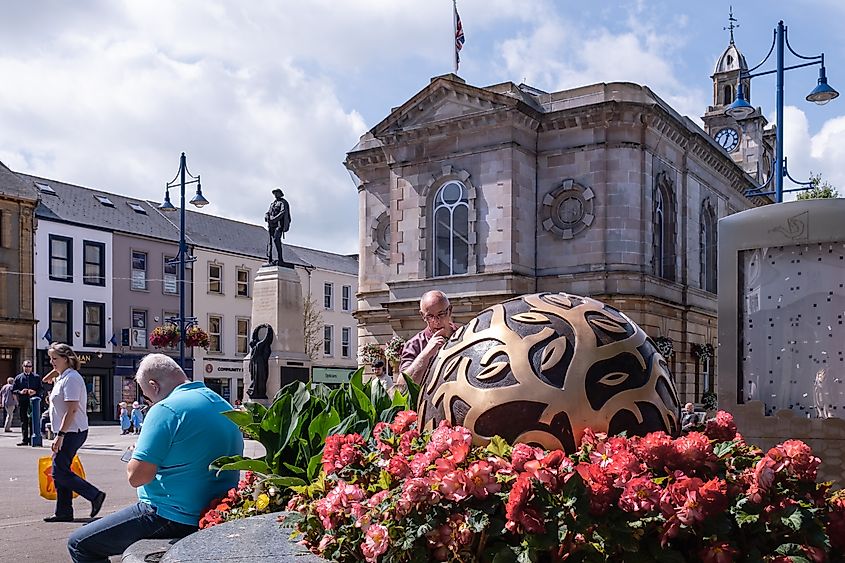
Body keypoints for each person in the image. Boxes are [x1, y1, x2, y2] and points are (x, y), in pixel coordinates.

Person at [67, 353, 244, 563]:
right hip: (216, 506)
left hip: (173, 514)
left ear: (154, 385)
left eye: (147, 396)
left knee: (80, 543)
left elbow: (137, 477)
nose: (148, 401)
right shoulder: (219, 403)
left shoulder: (165, 409)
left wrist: (136, 452)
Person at [44, 342, 107, 523]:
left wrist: (60, 435)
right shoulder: (63, 376)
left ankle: (94, 495)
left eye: (55, 358)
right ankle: (63, 511)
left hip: (72, 431)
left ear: (66, 359)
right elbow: (47, 379)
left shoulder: (72, 378)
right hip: (66, 430)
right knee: (61, 470)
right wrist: (54, 372)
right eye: (50, 358)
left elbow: (71, 409)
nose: (51, 362)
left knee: (59, 472)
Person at [399, 291, 460, 385]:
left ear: (450, 310)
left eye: (441, 314)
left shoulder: (466, 334)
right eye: (430, 316)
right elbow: (402, 385)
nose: (436, 321)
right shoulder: (415, 345)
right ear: (422, 316)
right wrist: (426, 353)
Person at [12, 360, 42, 445]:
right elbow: (14, 390)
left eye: (29, 366)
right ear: (23, 366)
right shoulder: (18, 377)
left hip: (34, 402)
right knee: (24, 420)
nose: (27, 368)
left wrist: (35, 392)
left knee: (33, 420)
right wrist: (21, 392)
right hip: (23, 401)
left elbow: (41, 389)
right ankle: (25, 439)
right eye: (26, 366)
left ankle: (33, 438)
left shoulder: (36, 377)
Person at [265, 188, 291, 265]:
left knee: (277, 240)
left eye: (277, 193)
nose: (275, 195)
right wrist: (266, 216)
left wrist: (274, 219)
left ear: (280, 194)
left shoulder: (283, 202)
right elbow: (268, 212)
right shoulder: (272, 204)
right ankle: (270, 259)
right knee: (270, 242)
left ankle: (280, 259)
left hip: (278, 225)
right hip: (271, 225)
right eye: (274, 193)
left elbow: (283, 212)